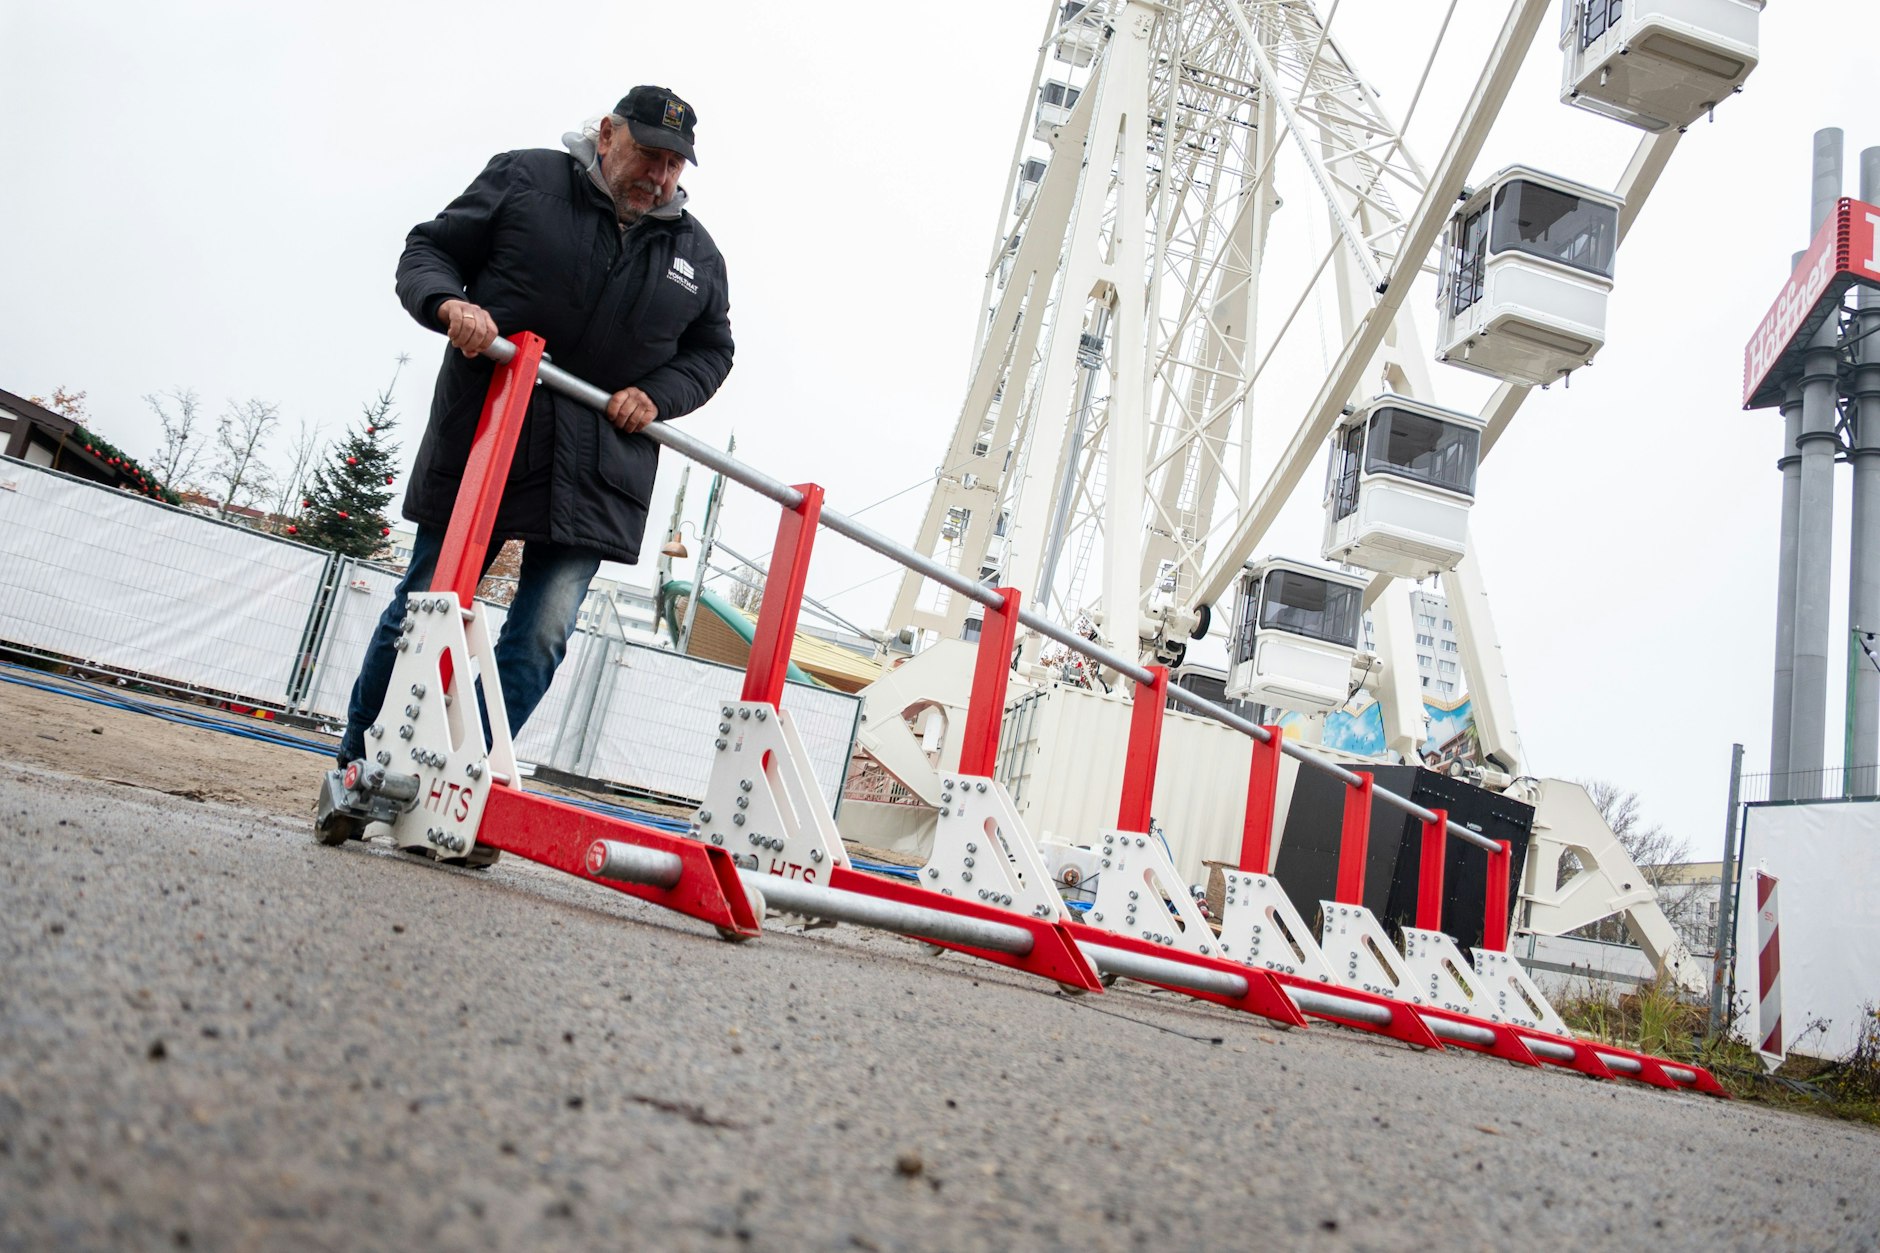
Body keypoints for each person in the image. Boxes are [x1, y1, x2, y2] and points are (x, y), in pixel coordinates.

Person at [333, 85, 733, 768]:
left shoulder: (697, 256)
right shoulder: (525, 178)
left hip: (601, 466)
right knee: (427, 602)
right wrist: (449, 303)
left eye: (674, 164)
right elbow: (429, 250)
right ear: (606, 134)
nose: (659, 175)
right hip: (488, 435)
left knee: (545, 632)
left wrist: (657, 395)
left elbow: (713, 350)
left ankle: (458, 775)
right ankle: (357, 765)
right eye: (649, 153)